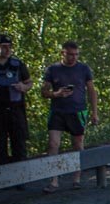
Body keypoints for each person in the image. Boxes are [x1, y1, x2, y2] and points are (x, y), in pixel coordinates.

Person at [41, 40, 99, 193]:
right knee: (53, 144)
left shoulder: (83, 69)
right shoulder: (53, 69)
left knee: (78, 144)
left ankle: (77, 178)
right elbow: (44, 92)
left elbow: (92, 90)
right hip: (58, 111)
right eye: (70, 55)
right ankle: (53, 180)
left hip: (77, 111)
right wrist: (56, 93)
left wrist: (94, 113)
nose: (73, 58)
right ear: (63, 53)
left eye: (76, 55)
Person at [0, 33, 32, 166]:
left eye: (9, 47)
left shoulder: (18, 64)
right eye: (4, 47)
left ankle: (21, 179)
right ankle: (3, 181)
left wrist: (23, 87)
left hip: (15, 109)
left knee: (19, 145)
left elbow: (29, 82)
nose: (7, 50)